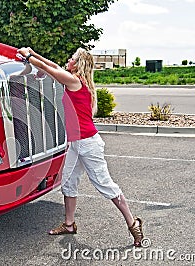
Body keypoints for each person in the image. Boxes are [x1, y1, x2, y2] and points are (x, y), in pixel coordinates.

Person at [17, 47, 144, 247]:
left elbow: (48, 69)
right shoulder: (75, 79)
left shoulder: (75, 81)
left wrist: (29, 56)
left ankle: (133, 222)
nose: (69, 59)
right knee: (68, 182)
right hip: (75, 144)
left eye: (72, 58)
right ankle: (69, 224)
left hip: (88, 144)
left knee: (105, 185)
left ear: (78, 64)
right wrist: (34, 53)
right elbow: (53, 65)